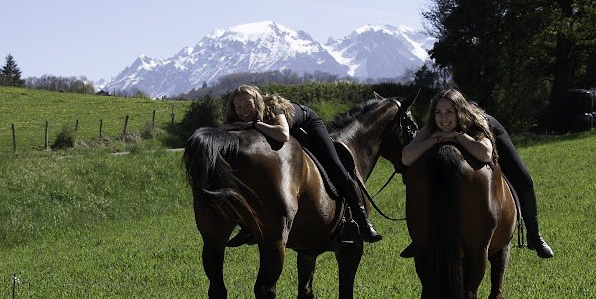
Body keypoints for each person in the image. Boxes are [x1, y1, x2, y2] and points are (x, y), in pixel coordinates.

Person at [400, 88, 554, 258]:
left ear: (459, 111)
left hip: (491, 131)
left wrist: (458, 136)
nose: (443, 118)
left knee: (524, 179)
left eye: (449, 112)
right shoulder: (432, 126)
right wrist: (433, 140)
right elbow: (406, 157)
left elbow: (485, 154)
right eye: (438, 112)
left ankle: (534, 236)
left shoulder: (476, 121)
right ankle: (422, 238)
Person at [220, 85, 382, 245]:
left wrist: (255, 125)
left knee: (335, 165)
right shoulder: (238, 118)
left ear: (257, 102)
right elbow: (223, 129)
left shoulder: (273, 109)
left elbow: (283, 134)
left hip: (308, 123)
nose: (243, 110)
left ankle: (363, 223)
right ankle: (247, 228)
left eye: (248, 104)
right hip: (284, 128)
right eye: (238, 107)